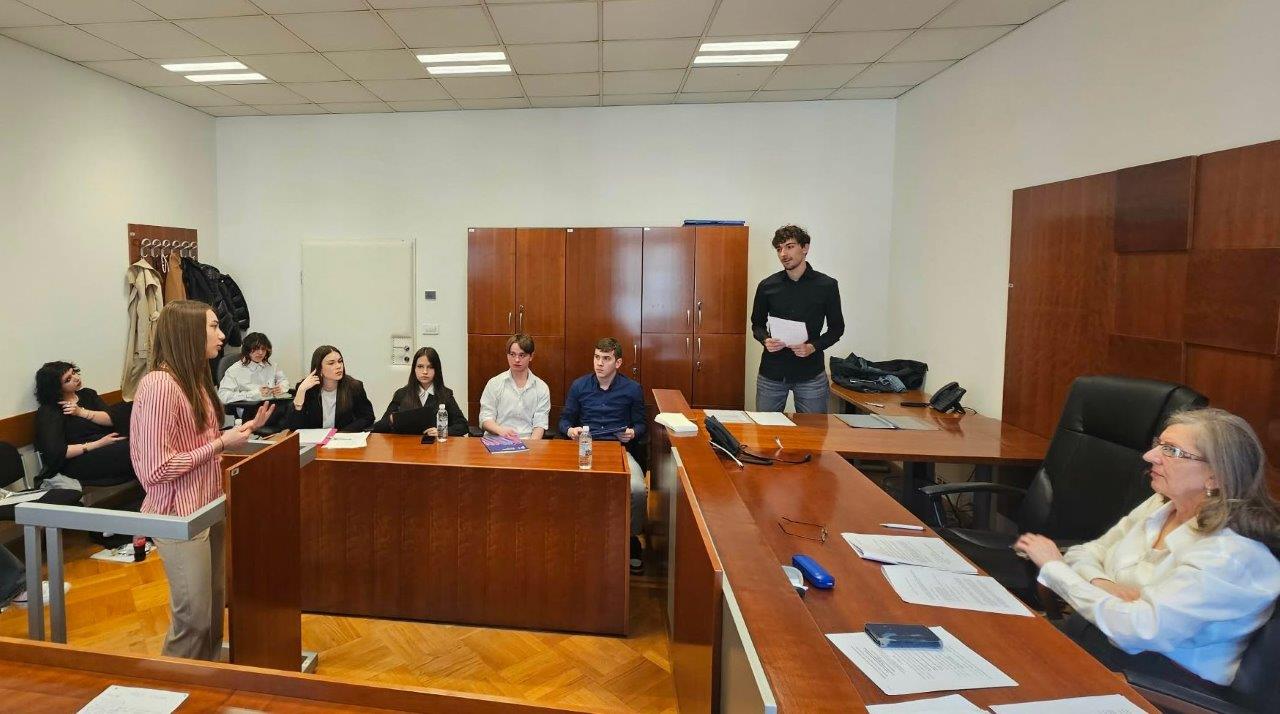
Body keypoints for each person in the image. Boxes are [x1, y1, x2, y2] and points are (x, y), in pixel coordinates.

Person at [1015, 408, 1280, 687]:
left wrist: (1056, 571)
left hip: (1158, 678)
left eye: (1171, 451)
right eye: (1159, 444)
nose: (1149, 456)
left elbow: (1135, 630)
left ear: (1215, 476)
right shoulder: (1163, 503)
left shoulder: (1231, 554)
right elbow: (1087, 552)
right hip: (1097, 637)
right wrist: (1103, 584)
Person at [130, 300, 274, 660]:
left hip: (208, 507)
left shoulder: (193, 379)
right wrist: (222, 443)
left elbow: (196, 443)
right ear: (188, 333)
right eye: (213, 327)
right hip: (178, 515)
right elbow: (157, 468)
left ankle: (206, 681)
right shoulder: (160, 385)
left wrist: (238, 433)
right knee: (193, 619)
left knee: (211, 612)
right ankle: (172, 686)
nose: (223, 335)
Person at [559, 337, 648, 575]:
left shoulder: (632, 389)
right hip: (585, 447)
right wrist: (571, 431)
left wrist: (632, 433)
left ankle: (631, 539)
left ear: (618, 363)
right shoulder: (579, 386)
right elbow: (564, 421)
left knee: (638, 490)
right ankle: (570, 538)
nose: (599, 363)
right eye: (597, 357)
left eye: (606, 359)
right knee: (562, 483)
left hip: (618, 450)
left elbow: (642, 425)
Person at [749, 224, 844, 413]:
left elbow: (837, 329)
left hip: (811, 373)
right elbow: (757, 324)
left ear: (805, 247)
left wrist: (812, 347)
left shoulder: (827, 285)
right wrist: (765, 340)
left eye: (790, 246)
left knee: (813, 429)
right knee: (767, 428)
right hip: (772, 372)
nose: (783, 254)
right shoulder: (767, 286)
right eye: (779, 249)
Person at [34, 361, 137, 486]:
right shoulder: (50, 411)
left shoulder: (88, 394)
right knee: (131, 451)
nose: (76, 378)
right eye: (68, 380)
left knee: (143, 442)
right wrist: (98, 444)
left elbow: (111, 420)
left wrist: (81, 412)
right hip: (79, 457)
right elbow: (58, 452)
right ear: (56, 388)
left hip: (107, 443)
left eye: (74, 373)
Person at [372, 346, 468, 437]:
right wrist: (391, 419)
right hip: (406, 446)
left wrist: (442, 431)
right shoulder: (401, 394)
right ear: (414, 369)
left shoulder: (445, 394)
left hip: (434, 446)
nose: (425, 371)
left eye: (430, 367)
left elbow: (463, 425)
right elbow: (379, 427)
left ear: (437, 370)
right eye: (420, 366)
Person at [285, 345, 375, 433]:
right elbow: (293, 426)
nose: (338, 366)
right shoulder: (307, 388)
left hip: (342, 438)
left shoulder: (354, 386)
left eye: (340, 361)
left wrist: (342, 433)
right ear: (319, 368)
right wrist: (301, 392)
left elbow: (367, 417)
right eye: (331, 363)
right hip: (315, 440)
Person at [479, 334, 550, 439]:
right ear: (507, 355)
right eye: (512, 354)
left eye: (522, 355)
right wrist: (500, 430)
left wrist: (532, 446)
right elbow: (485, 418)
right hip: (497, 439)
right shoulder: (494, 383)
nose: (516, 360)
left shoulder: (541, 388)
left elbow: (540, 424)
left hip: (528, 441)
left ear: (531, 356)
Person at [216, 332, 288, 404]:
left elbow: (283, 380)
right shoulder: (234, 370)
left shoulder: (271, 365)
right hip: (248, 406)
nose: (260, 352)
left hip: (272, 403)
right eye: (256, 349)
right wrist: (253, 394)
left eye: (263, 349)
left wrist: (281, 388)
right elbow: (223, 396)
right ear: (247, 350)